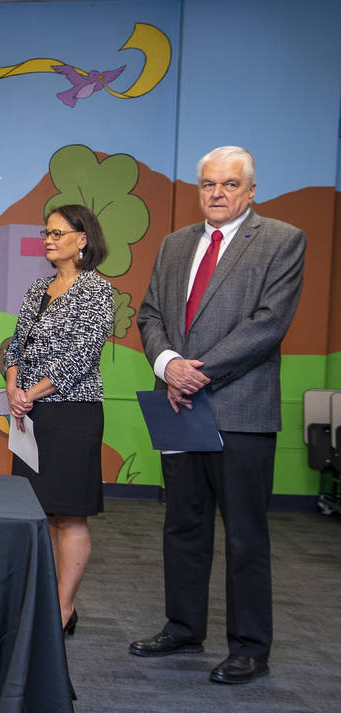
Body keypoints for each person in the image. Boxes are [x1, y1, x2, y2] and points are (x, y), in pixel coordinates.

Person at [130, 146, 305, 684]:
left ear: (251, 190)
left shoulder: (282, 240)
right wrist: (167, 364)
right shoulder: (174, 244)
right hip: (180, 406)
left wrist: (196, 372)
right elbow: (152, 313)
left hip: (240, 410)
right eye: (209, 185)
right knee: (182, 523)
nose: (218, 194)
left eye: (230, 184)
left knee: (245, 534)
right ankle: (183, 626)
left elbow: (267, 325)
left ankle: (250, 646)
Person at [4, 204, 113, 636]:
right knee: (42, 512)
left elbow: (81, 358)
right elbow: (15, 346)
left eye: (57, 232)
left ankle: (63, 609)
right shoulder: (38, 288)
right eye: (45, 233)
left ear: (82, 239)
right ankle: (47, 599)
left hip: (72, 414)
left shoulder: (96, 291)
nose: (48, 240)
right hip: (30, 415)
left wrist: (29, 393)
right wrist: (13, 388)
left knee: (69, 515)